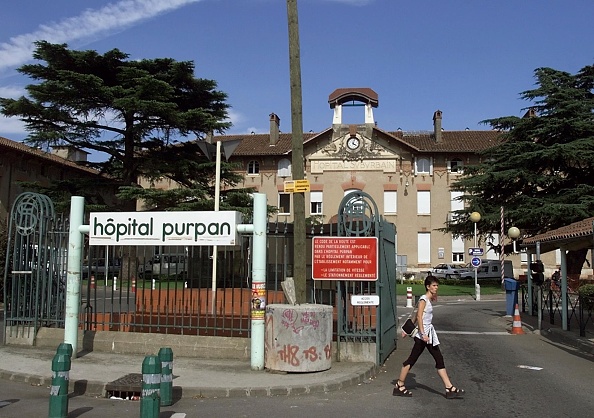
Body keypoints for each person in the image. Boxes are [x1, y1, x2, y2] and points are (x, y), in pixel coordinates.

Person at [393, 274, 465, 399]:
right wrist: (423, 333)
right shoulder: (423, 300)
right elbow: (419, 316)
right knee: (412, 360)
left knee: (438, 359)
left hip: (428, 334)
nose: (436, 287)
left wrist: (407, 329)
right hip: (423, 336)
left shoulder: (427, 299)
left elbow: (415, 316)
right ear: (428, 287)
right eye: (434, 285)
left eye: (437, 285)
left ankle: (449, 388)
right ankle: (399, 385)